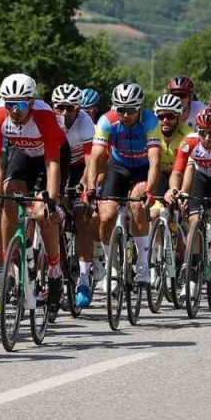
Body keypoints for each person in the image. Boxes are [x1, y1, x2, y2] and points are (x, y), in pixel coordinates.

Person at [0, 73, 67, 316]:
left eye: (19, 105)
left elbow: (52, 164)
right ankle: (9, 260)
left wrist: (51, 200)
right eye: (9, 104)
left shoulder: (45, 118)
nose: (14, 110)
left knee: (43, 213)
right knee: (9, 195)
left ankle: (54, 271)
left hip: (49, 158)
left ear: (30, 103)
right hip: (22, 155)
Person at [83, 82, 162, 299]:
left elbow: (155, 161)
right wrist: (91, 188)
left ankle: (144, 265)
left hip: (143, 168)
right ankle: (112, 266)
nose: (125, 115)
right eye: (121, 109)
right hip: (118, 166)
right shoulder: (107, 121)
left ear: (141, 107)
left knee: (137, 204)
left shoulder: (150, 121)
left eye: (131, 110)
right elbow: (97, 156)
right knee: (106, 215)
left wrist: (150, 190)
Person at [165, 108, 211, 294]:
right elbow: (177, 172)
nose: (206, 137)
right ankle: (191, 278)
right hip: (201, 176)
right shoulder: (189, 142)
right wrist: (174, 189)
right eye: (203, 133)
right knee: (193, 222)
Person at [51, 84, 97, 307]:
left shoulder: (86, 122)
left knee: (81, 215)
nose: (65, 113)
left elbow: (91, 161)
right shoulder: (50, 119)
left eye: (70, 109)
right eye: (60, 108)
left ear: (78, 109)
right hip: (56, 166)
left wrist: (84, 187)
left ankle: (84, 279)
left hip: (79, 167)